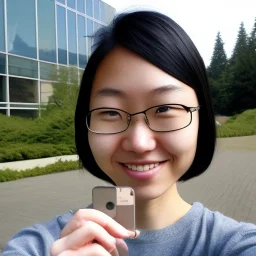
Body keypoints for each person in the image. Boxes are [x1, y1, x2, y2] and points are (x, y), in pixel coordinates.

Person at [2, 10, 256, 256]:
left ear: (201, 117)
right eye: (111, 112)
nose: (139, 143)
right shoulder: (37, 247)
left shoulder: (237, 244)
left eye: (165, 108)